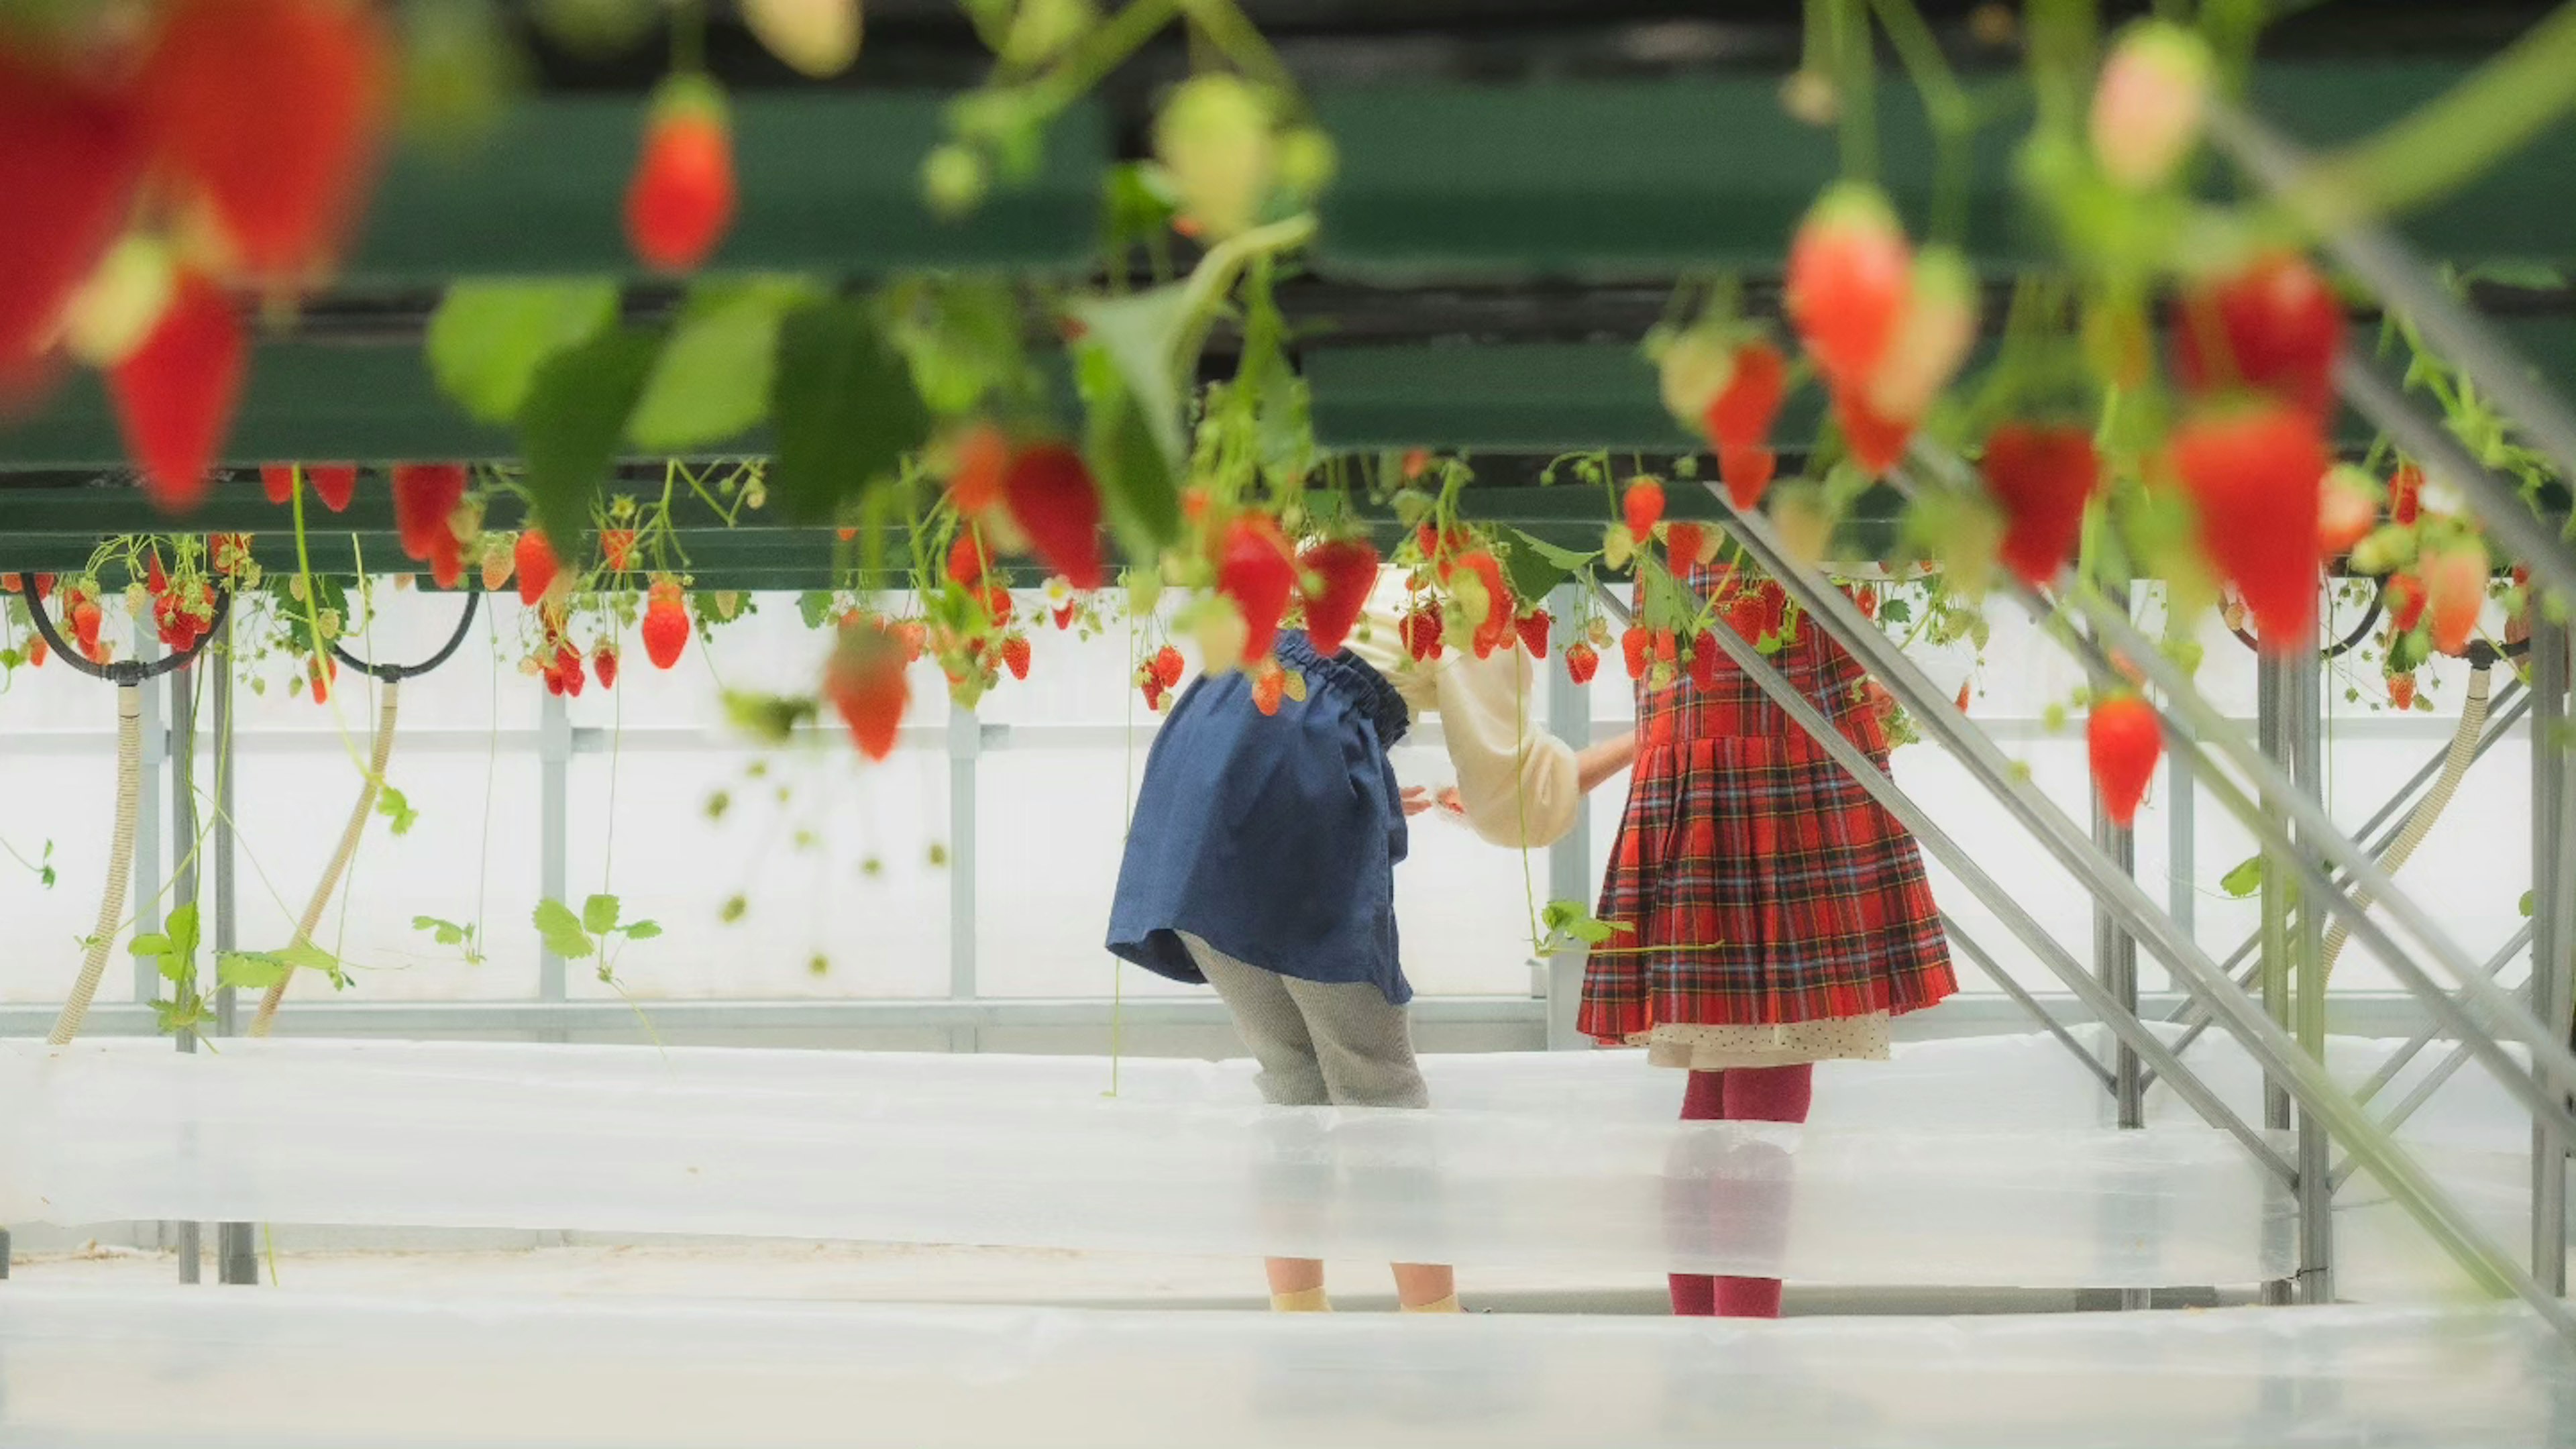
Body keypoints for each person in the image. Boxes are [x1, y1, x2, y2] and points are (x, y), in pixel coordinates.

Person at [1109, 568, 1635, 1313]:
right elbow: (1511, 795)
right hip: (1295, 763)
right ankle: (1435, 1326)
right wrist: (1646, 740)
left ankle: (1298, 1323)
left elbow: (1314, 680)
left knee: (1291, 1077)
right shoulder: (1472, 593)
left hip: (1210, 742)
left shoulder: (1354, 544)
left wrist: (1350, 791)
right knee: (1379, 1083)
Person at [1581, 560, 1955, 1318]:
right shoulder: (1785, 546)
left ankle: (1710, 1347)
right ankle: (1739, 1358)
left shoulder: (1678, 552)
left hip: (1712, 787)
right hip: (1773, 796)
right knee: (1757, 1108)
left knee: (1720, 1098)